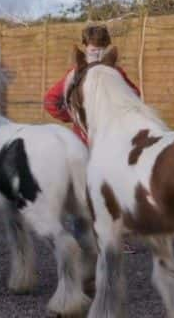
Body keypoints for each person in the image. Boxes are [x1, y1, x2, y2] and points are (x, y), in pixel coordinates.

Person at [43, 24, 140, 254]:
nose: (96, 54)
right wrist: (75, 117)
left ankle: (117, 237)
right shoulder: (75, 73)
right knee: (83, 192)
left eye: (100, 50)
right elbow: (50, 101)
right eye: (92, 50)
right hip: (84, 144)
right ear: (85, 48)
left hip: (111, 143)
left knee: (113, 190)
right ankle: (83, 238)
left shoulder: (116, 72)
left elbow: (135, 95)